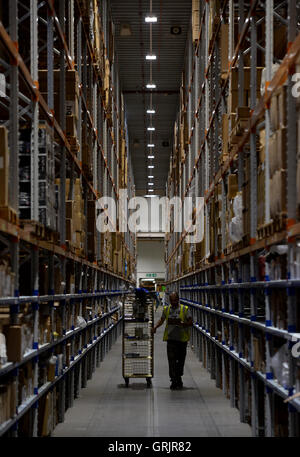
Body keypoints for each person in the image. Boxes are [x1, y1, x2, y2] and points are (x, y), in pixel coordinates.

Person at [151, 291, 193, 390]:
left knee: (181, 361)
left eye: (175, 300)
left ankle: (178, 377)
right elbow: (161, 319)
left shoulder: (185, 309)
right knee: (172, 361)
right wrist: (155, 327)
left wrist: (184, 324)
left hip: (182, 340)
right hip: (171, 339)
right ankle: (174, 380)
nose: (173, 302)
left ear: (178, 299)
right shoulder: (167, 309)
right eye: (171, 300)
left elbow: (191, 322)